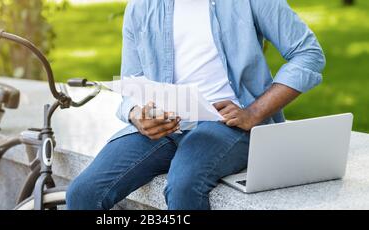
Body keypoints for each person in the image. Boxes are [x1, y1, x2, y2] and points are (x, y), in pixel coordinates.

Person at [66, 0, 325, 210]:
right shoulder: (141, 6)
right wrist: (136, 114)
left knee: (184, 185)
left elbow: (308, 53)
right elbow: (131, 85)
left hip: (225, 123)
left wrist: (254, 112)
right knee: (83, 194)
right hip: (163, 124)